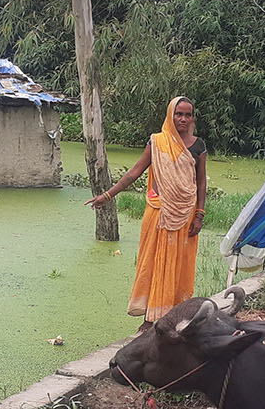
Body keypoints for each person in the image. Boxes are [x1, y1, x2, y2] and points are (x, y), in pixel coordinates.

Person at [86, 97, 207, 331]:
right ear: (170, 116)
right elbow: (134, 172)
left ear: (193, 118)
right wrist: (107, 196)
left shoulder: (198, 145)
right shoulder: (157, 142)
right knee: (153, 263)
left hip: (186, 214)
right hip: (158, 213)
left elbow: (201, 183)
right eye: (178, 114)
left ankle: (174, 315)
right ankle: (150, 318)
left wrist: (199, 215)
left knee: (179, 266)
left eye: (188, 114)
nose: (183, 119)